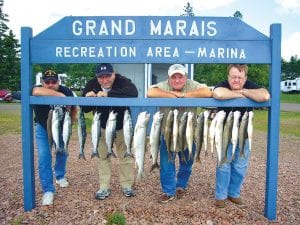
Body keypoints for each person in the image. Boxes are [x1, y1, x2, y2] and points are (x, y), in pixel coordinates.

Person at [147, 64, 212, 203]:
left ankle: (181, 186)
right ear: (169, 78)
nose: (177, 80)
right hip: (168, 133)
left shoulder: (192, 84)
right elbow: (150, 92)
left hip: (189, 133)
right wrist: (172, 95)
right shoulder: (164, 85)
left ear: (186, 77)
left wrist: (183, 95)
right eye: (174, 77)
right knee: (166, 163)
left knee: (187, 162)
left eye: (180, 77)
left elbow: (207, 92)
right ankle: (168, 191)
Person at [212, 64, 270, 208]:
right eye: (233, 77)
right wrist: (243, 95)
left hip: (244, 132)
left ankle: (234, 193)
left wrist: (243, 91)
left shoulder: (249, 85)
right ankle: (221, 195)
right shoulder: (223, 85)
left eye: (240, 77)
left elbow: (265, 95)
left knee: (240, 164)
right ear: (228, 77)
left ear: (245, 78)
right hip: (225, 131)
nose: (236, 80)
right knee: (223, 164)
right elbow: (218, 94)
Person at [82, 63, 138, 200]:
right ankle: (104, 187)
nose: (105, 80)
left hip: (122, 127)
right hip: (101, 127)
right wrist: (87, 98)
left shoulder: (122, 81)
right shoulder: (91, 84)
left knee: (126, 156)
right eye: (101, 77)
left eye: (108, 76)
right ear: (97, 77)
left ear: (114, 74)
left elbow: (133, 93)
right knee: (102, 157)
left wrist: (108, 94)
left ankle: (127, 185)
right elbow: (84, 109)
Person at [32, 69, 77, 206]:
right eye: (47, 82)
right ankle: (48, 190)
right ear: (42, 82)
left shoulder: (67, 90)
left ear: (58, 81)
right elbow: (35, 92)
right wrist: (59, 96)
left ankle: (60, 175)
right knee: (44, 157)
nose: (50, 84)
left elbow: (74, 107)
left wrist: (71, 121)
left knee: (62, 152)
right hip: (42, 128)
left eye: (53, 81)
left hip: (61, 128)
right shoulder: (37, 89)